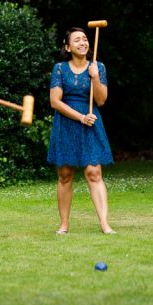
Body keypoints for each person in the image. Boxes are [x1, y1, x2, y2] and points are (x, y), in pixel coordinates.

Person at [48, 27, 115, 235]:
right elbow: (55, 102)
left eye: (85, 39)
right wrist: (79, 117)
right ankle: (64, 225)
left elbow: (101, 100)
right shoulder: (60, 69)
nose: (83, 42)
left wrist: (95, 77)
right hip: (67, 122)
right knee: (65, 174)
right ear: (68, 47)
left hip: (91, 121)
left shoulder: (98, 67)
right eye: (77, 40)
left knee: (94, 172)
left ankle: (105, 224)